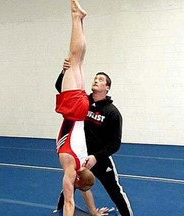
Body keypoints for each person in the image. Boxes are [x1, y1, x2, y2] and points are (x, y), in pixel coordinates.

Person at [55, 59, 134, 215]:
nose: (96, 81)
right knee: (70, 185)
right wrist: (64, 72)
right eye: (95, 78)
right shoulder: (84, 101)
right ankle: (59, 210)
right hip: (80, 155)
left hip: (99, 157)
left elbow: (115, 144)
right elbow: (61, 88)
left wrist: (96, 157)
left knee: (114, 190)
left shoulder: (112, 113)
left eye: (101, 80)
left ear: (107, 88)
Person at [55, 1, 108, 215]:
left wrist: (93, 212)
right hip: (74, 110)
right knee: (74, 57)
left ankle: (80, 19)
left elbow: (85, 187)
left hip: (81, 108)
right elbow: (69, 202)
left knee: (79, 61)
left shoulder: (84, 163)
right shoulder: (71, 168)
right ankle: (76, 17)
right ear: (77, 177)